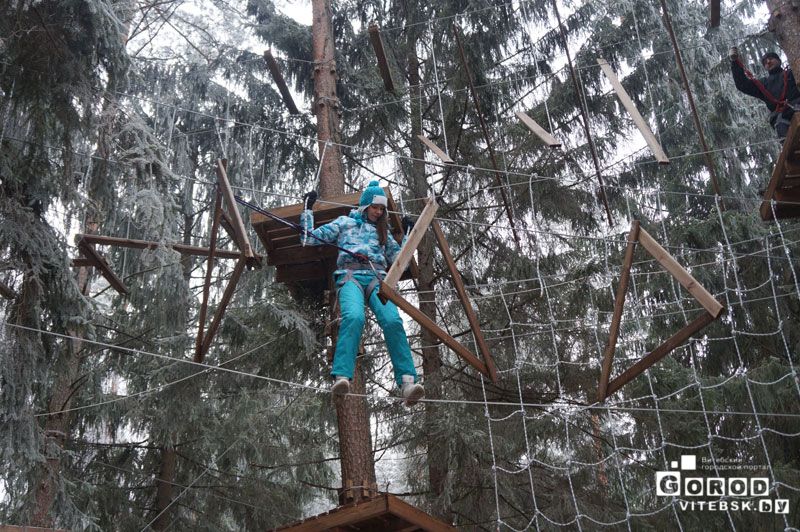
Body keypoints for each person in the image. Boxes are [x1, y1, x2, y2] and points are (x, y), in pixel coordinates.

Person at [300, 181, 424, 406]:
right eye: (375, 207)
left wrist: (407, 234)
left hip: (377, 279)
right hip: (350, 276)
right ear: (366, 205)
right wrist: (307, 209)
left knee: (393, 321)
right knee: (354, 317)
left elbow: (401, 262)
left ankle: (407, 383)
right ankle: (341, 376)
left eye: (382, 209)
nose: (379, 212)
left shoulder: (382, 232)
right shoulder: (345, 223)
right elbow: (309, 238)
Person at [730, 47, 800, 139]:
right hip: (781, 118)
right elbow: (743, 85)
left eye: (771, 59)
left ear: (779, 61)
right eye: (765, 62)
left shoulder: (793, 72)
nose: (768, 62)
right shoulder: (763, 84)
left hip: (797, 107)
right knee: (784, 133)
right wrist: (735, 63)